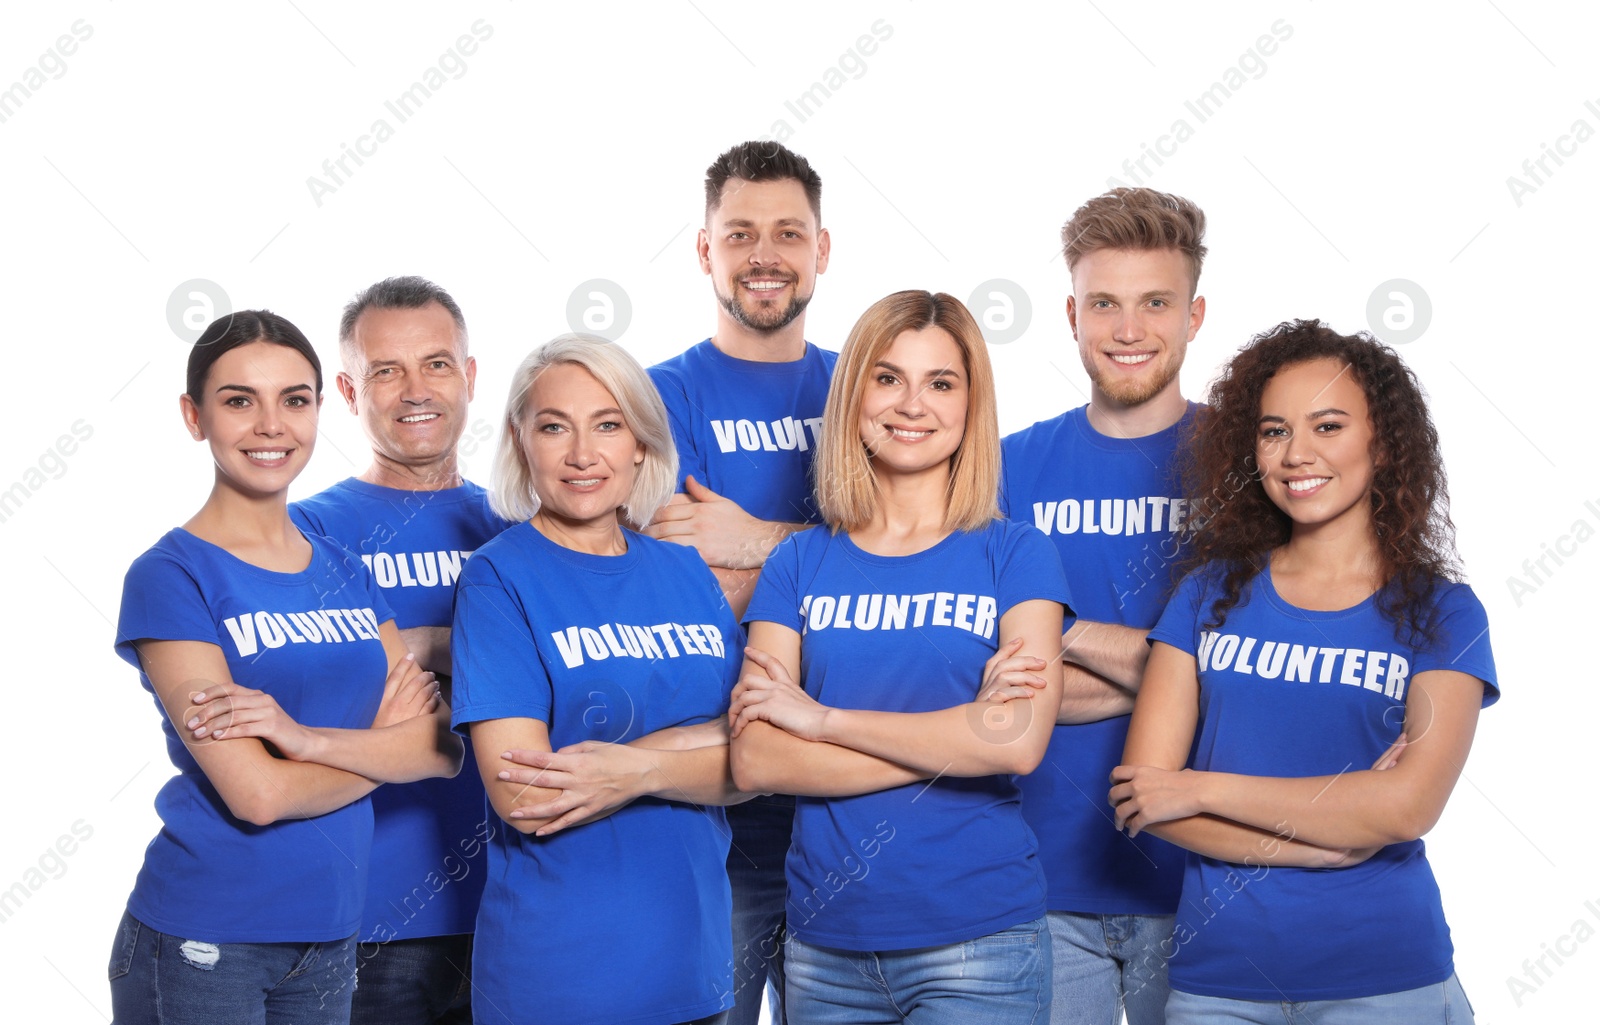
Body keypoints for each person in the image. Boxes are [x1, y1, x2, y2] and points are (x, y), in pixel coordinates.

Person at [1109, 320, 1494, 1022]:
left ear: (1382, 442)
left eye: (1328, 425)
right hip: (1218, 982)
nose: (1297, 453)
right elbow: (1143, 798)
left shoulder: (1444, 613)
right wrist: (1323, 842)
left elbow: (1408, 807)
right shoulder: (1204, 592)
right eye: (1275, 430)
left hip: (1384, 975)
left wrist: (1199, 786)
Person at [109, 310, 463, 1025]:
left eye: (294, 400)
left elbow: (443, 746)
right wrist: (387, 751)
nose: (271, 424)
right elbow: (258, 795)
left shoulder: (344, 568)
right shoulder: (172, 575)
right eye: (240, 400)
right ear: (194, 415)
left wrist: (305, 739)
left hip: (333, 931)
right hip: (207, 934)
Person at [729, 290, 1070, 1023]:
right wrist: (958, 735)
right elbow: (756, 758)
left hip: (981, 944)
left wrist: (820, 721)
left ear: (971, 404)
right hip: (824, 947)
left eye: (941, 383)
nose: (912, 403)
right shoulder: (797, 562)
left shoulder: (1015, 553)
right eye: (888, 378)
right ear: (854, 395)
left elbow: (1017, 738)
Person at [449, 334, 748, 1025]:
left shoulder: (683, 571)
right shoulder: (498, 577)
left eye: (608, 424)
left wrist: (632, 768)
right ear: (523, 442)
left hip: (694, 969)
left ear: (641, 443)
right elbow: (525, 792)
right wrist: (705, 744)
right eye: (555, 426)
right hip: (558, 981)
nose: (583, 454)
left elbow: (759, 758)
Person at [998, 187, 1205, 1023]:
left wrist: (1062, 630)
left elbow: (1254, 668)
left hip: (1205, 880)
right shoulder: (1006, 470)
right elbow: (987, 679)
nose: (1128, 330)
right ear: (1071, 314)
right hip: (1036, 886)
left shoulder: (1253, 467)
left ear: (1195, 314)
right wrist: (1182, 671)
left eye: (1155, 302)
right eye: (1105, 304)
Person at [645, 139, 834, 1025]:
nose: (766, 254)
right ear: (704, 250)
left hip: (845, 807)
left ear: (821, 250)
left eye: (788, 232)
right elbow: (664, 597)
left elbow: (931, 564)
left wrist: (753, 539)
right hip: (702, 817)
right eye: (742, 232)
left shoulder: (868, 391)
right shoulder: (652, 401)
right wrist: (835, 563)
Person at [290, 277, 512, 1025]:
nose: (416, 389)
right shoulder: (304, 534)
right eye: (387, 370)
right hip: (368, 922)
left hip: (515, 911)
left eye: (437, 364)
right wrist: (479, 656)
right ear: (350, 391)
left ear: (471, 377)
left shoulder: (516, 526)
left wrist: (424, 644)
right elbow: (320, 694)